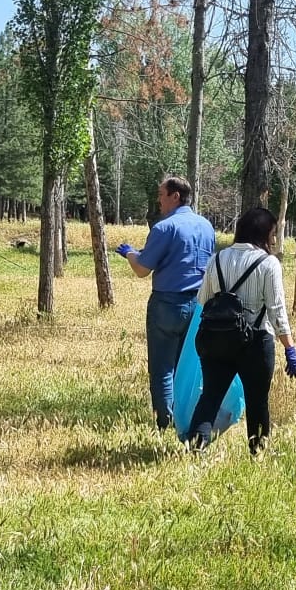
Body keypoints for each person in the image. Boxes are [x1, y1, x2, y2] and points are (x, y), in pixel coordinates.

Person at [187, 206, 296, 456]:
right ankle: (257, 453)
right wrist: (290, 348)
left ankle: (195, 450)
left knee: (210, 398)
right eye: (272, 232)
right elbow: (276, 311)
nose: (273, 238)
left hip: (216, 340)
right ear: (263, 233)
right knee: (257, 402)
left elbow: (203, 298)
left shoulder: (216, 259)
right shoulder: (269, 264)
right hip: (256, 343)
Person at [115, 174, 216, 429]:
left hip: (167, 304)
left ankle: (165, 422)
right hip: (200, 306)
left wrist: (129, 254)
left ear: (175, 196)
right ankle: (190, 421)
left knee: (162, 369)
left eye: (161, 195)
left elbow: (142, 269)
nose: (158, 200)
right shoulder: (206, 226)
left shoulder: (164, 227)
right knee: (190, 368)